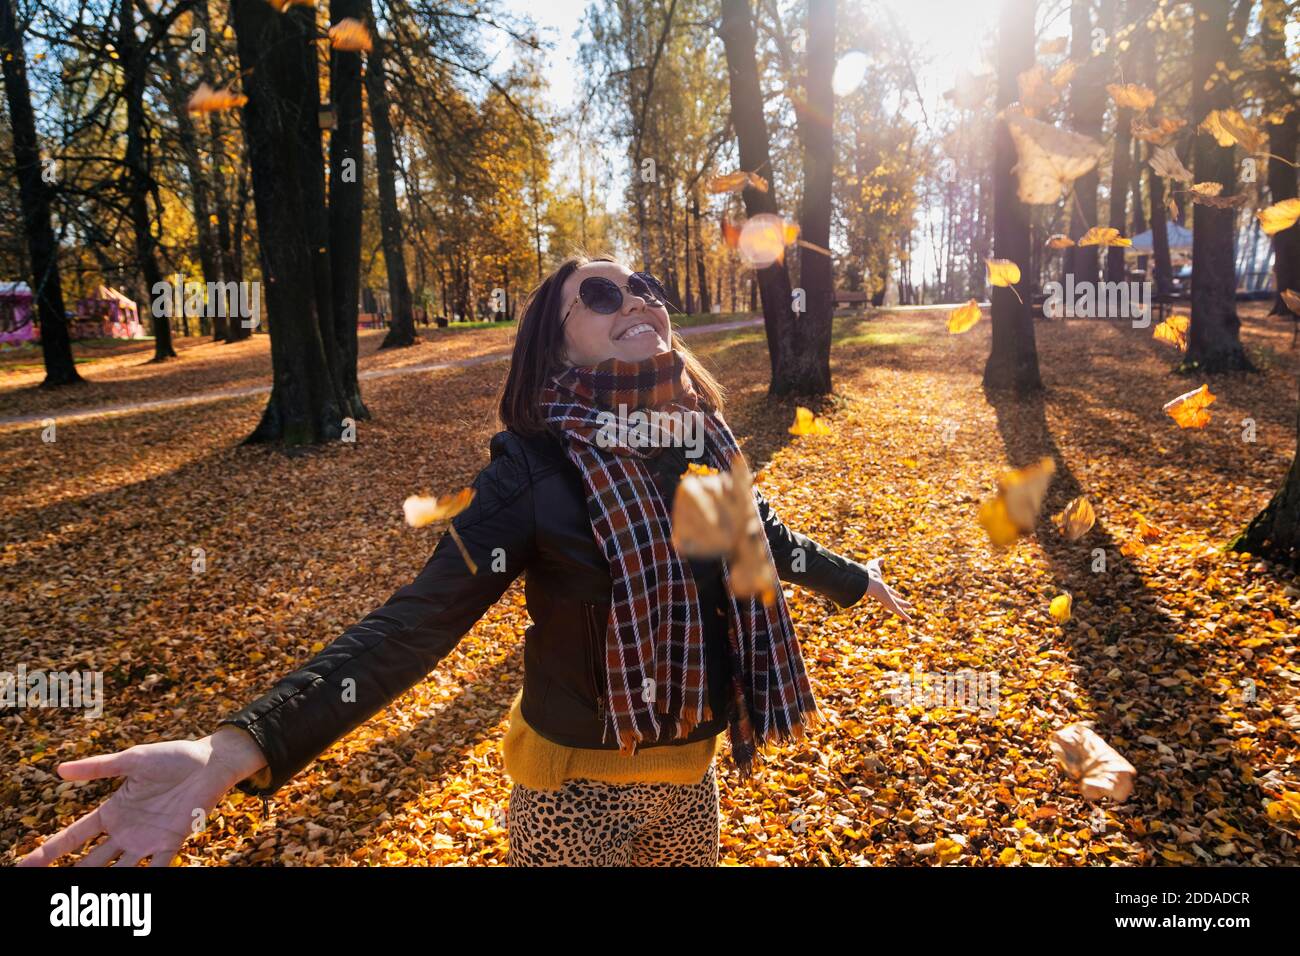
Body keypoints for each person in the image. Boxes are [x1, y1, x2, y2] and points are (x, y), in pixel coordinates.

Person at [18, 254, 913, 868]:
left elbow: (758, 536)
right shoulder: (535, 469)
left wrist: (849, 577)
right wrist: (237, 745)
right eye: (600, 294)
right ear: (557, 342)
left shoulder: (698, 443)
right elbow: (419, 620)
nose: (636, 299)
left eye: (643, 285)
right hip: (578, 793)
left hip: (694, 777)